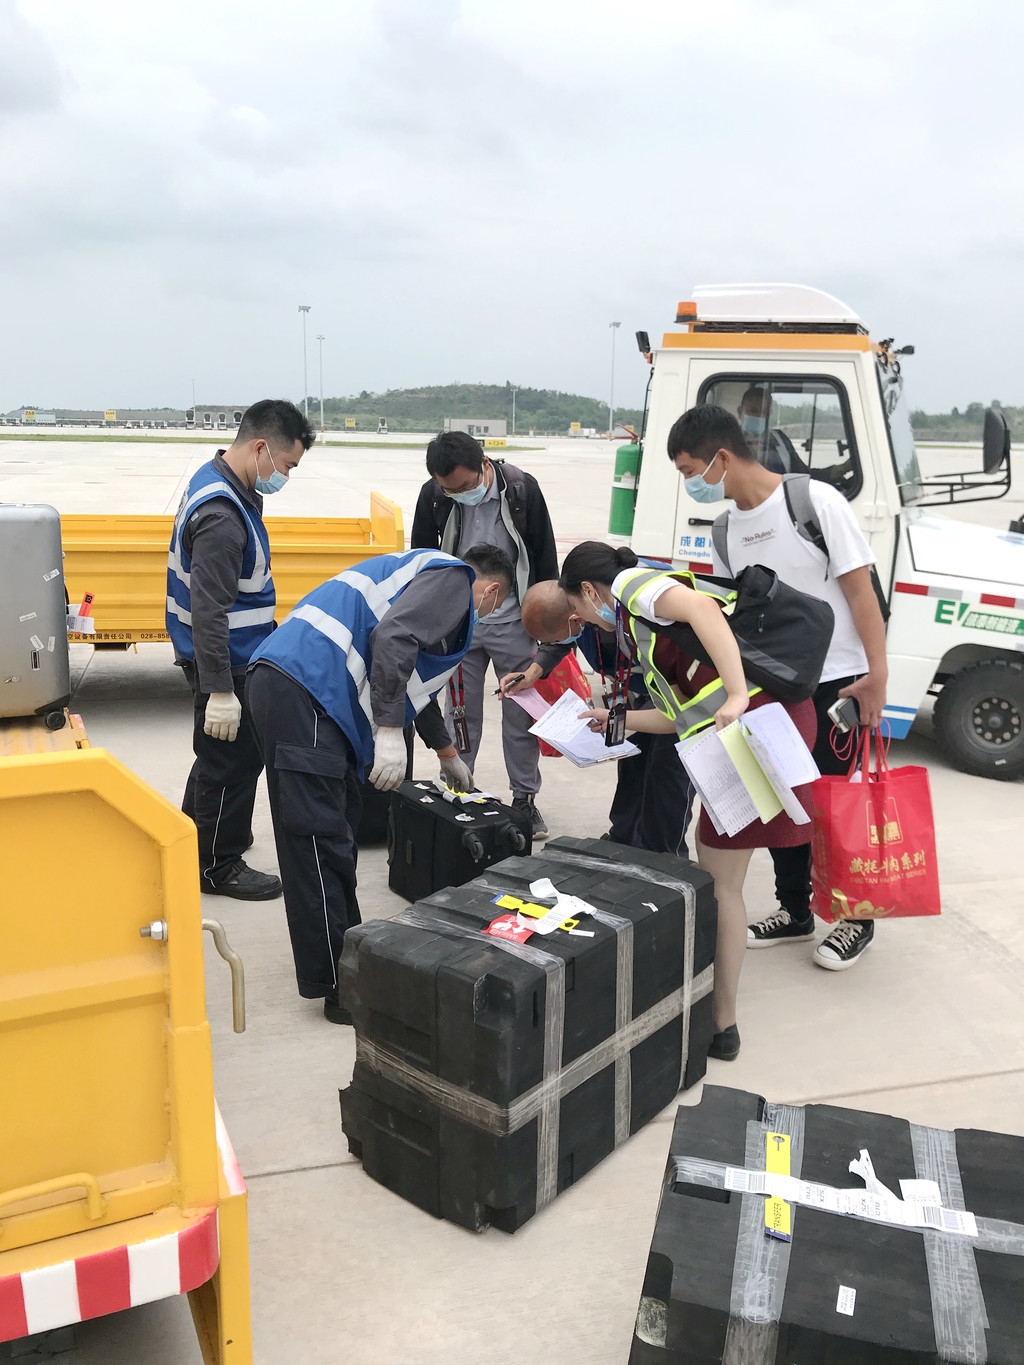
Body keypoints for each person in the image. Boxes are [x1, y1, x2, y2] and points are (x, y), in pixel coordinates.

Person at [560, 540, 818, 1064]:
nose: (582, 620)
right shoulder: (639, 630)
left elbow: (702, 610)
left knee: (721, 885)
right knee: (725, 881)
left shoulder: (632, 587)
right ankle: (721, 1021)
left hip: (755, 727)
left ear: (589, 590)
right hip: (761, 728)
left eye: (577, 609)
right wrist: (615, 721)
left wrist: (738, 693)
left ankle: (721, 1023)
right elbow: (680, 716)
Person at [245, 544, 512, 1023]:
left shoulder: (423, 577)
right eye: (495, 606)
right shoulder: (455, 580)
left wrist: (445, 751)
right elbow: (393, 638)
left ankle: (347, 961)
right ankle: (339, 986)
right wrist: (389, 730)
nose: (487, 615)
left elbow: (409, 676)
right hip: (307, 689)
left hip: (304, 689)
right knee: (318, 842)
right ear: (491, 590)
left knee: (337, 830)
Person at [667, 404, 888, 971]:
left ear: (721, 458)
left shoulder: (813, 502)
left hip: (837, 682)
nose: (690, 483)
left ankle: (855, 918)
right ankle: (795, 910)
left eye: (690, 470)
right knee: (784, 806)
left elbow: (861, 592)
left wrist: (877, 675)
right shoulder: (724, 530)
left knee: (835, 806)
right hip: (773, 691)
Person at [166, 398, 314, 900]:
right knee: (233, 762)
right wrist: (219, 691)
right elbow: (209, 610)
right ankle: (216, 865)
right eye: (287, 464)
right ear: (260, 448)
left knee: (217, 757)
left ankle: (196, 839)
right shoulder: (223, 515)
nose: (285, 476)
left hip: (233, 654)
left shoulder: (222, 482)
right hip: (226, 660)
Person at [411, 430, 558, 839]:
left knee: (520, 714)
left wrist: (546, 627)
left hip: (514, 622)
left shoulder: (522, 491)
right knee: (459, 712)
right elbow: (420, 557)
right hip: (461, 621)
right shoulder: (434, 496)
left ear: (484, 466)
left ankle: (524, 799)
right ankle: (460, 788)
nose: (459, 494)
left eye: (465, 486)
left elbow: (544, 556)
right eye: (450, 489)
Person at [510, 580, 694, 856]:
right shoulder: (582, 617)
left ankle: (666, 855)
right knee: (632, 764)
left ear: (576, 618)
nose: (554, 645)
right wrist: (532, 674)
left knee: (667, 774)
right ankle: (622, 837)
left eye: (555, 639)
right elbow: (560, 642)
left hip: (680, 695)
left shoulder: (629, 613)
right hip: (641, 694)